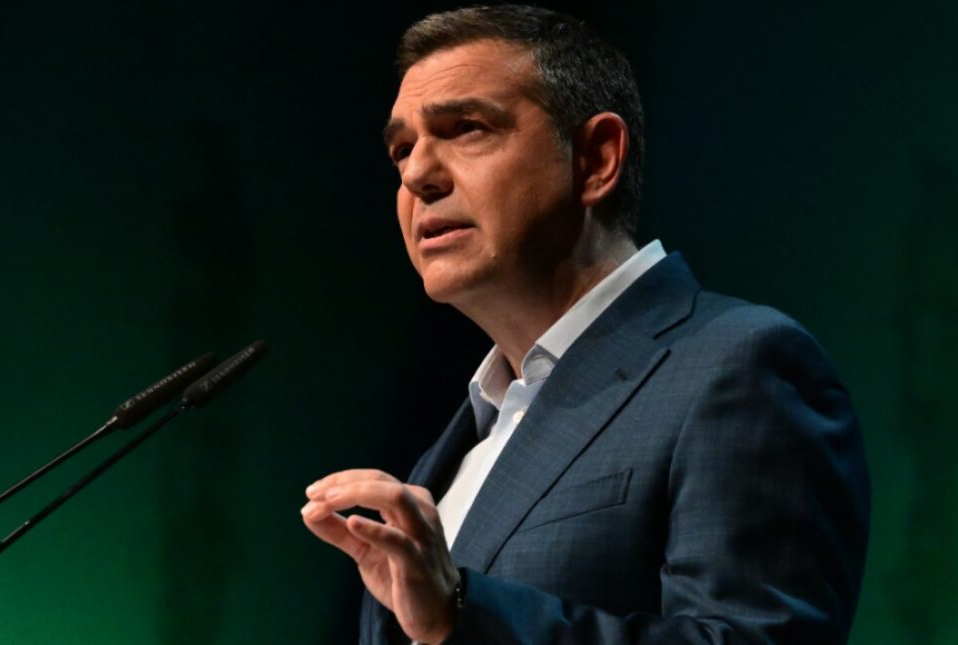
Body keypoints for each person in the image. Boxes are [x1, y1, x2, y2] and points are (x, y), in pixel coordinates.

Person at [301, 5, 870, 644]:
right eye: (402, 150)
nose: (416, 175)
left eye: (465, 129)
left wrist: (463, 613)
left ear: (597, 158)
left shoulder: (742, 367)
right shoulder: (450, 450)